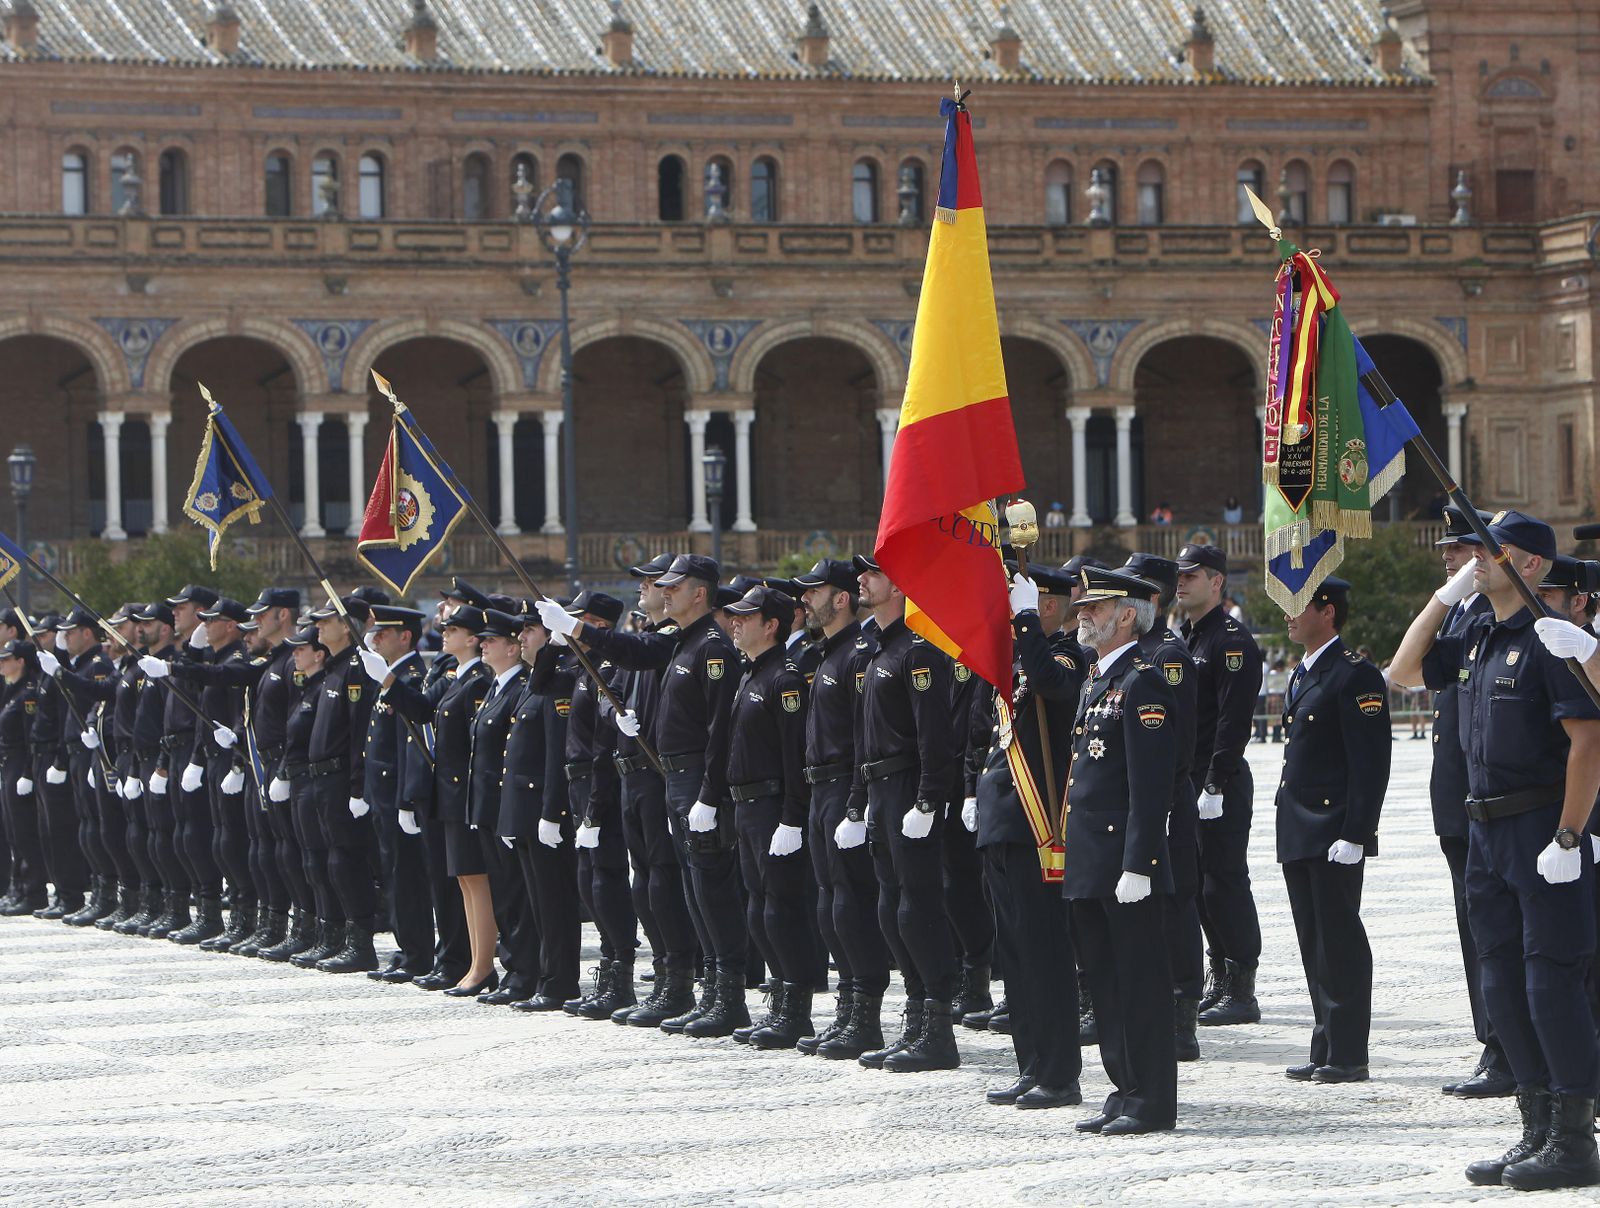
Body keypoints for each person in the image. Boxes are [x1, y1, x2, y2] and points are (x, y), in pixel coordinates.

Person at [1393, 510, 1600, 1191]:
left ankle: (1574, 1137)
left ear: (1531, 564)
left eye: (1491, 549)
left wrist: (1570, 834)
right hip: (1484, 830)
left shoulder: (1550, 640)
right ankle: (1534, 1125)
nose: (1475, 558)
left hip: (1542, 829)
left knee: (1550, 985)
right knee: (1501, 984)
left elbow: (1588, 742)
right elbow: (1403, 671)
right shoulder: (1480, 632)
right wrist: (1445, 597)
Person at [539, 554, 746, 1038]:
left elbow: (720, 730)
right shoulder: (680, 643)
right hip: (666, 776)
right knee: (687, 889)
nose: (663, 592)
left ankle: (723, 993)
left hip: (691, 778)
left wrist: (711, 794)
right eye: (661, 585)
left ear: (700, 593)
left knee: (706, 889)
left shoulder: (709, 646)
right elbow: (635, 656)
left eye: (673, 586)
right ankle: (700, 988)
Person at [1064, 564, 1179, 1136]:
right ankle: (1124, 1085)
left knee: (1138, 981)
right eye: (1084, 606)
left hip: (1122, 863)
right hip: (1089, 859)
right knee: (1104, 980)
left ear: (1127, 614)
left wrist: (1141, 861)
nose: (1082, 613)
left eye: (1094, 607)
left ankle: (1152, 1098)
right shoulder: (1096, 680)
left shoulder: (1144, 682)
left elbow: (1149, 784)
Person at [974, 563, 1084, 1109]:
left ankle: (1060, 1072)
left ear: (1045, 604)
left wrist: (1023, 623)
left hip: (1038, 824)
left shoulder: (1066, 653)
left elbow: (1051, 684)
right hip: (1002, 822)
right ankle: (1030, 1062)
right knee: (1013, 955)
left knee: (1045, 953)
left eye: (1023, 598)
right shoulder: (1015, 654)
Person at [1276, 577, 1391, 1084]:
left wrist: (1358, 831)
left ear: (1328, 612)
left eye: (1299, 605)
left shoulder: (1355, 675)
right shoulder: (1304, 673)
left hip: (1333, 829)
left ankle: (1348, 1052)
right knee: (1312, 940)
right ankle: (1324, 1041)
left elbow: (1371, 762)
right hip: (1299, 826)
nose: (1288, 614)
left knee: (1339, 939)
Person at [850, 554, 959, 1073]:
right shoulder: (879, 650)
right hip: (880, 788)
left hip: (907, 787)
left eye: (872, 573)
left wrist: (928, 800)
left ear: (901, 585)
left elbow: (936, 735)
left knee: (919, 909)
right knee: (892, 908)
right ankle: (915, 1017)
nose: (862, 580)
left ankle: (938, 1026)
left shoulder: (919, 652)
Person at [1426, 506, 1512, 1099]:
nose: (1452, 560)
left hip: (1497, 803)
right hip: (1459, 801)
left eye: (1460, 549)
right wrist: (1443, 599)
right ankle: (1493, 1041)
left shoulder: (1499, 617)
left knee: (1501, 935)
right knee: (1473, 929)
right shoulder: (1462, 615)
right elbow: (1409, 668)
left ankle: (1507, 1048)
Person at [792, 557, 888, 1059]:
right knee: (830, 905)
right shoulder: (825, 652)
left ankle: (865, 1016)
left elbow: (860, 736)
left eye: (815, 591)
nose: (805, 599)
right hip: (819, 789)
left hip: (844, 789)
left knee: (851, 906)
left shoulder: (858, 653)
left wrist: (857, 803)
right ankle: (848, 1008)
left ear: (842, 598)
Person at [721, 584, 816, 1049]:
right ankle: (778, 996)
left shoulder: (785, 679)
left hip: (774, 806)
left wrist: (793, 818)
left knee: (781, 910)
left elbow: (796, 753)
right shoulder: (751, 674)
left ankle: (796, 1007)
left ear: (771, 625)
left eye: (745, 616)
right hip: (748, 806)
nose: (735, 623)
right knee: (758, 910)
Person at [1175, 543, 1265, 1027]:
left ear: (1217, 582)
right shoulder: (1188, 639)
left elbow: (1233, 721)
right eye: (1181, 575)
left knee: (1225, 881)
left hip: (1218, 779)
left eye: (1194, 575)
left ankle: (1242, 984)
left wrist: (1214, 784)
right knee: (1200, 883)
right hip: (1190, 777)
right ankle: (1219, 975)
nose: (1183, 582)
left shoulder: (1230, 641)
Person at [386, 605, 494, 995]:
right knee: (461, 881)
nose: (444, 632)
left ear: (473, 639)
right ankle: (468, 963)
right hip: (447, 793)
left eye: (454, 628)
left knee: (474, 881)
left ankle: (479, 965)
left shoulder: (477, 680)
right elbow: (422, 709)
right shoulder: (455, 675)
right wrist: (385, 679)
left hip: (463, 793)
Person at [611, 554, 699, 1028]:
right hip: (632, 773)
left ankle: (679, 977)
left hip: (661, 773)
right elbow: (618, 690)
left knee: (665, 879)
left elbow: (636, 655)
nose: (648, 591)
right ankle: (664, 969)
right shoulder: (651, 640)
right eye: (648, 583)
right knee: (644, 880)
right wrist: (617, 717)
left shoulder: (668, 643)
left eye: (654, 583)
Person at [543, 591, 639, 1018]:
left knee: (607, 880)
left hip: (600, 785)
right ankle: (606, 969)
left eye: (578, 622)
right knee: (589, 880)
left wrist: (597, 810)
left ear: (599, 627)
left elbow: (605, 743)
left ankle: (620, 975)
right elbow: (541, 683)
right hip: (577, 783)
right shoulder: (580, 668)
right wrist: (552, 644)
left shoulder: (608, 670)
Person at [1123, 553, 1202, 1063]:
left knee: (1175, 904)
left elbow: (1179, 739)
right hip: (1136, 802)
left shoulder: (1165, 656)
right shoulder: (1132, 654)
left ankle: (1182, 1013)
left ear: (1152, 598)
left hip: (1168, 801)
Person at [500, 605, 575, 1012]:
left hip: (544, 809)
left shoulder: (556, 681)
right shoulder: (535, 681)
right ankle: (546, 977)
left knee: (554, 902)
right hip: (525, 809)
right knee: (536, 901)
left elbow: (554, 753)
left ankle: (559, 981)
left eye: (529, 631)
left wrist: (552, 810)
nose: (521, 639)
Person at [357, 603, 435, 984]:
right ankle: (407, 947)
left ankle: (419, 952)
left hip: (397, 791)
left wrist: (406, 798)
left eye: (383, 633)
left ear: (405, 636)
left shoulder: (412, 676)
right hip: (381, 791)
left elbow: (411, 743)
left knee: (408, 876)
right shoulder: (389, 674)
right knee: (393, 872)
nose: (375, 638)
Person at [304, 596, 379, 973]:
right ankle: (335, 934)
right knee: (328, 861)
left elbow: (358, 732)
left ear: (347, 625)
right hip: (321, 778)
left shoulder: (356, 668)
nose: (319, 627)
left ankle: (360, 941)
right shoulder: (333, 668)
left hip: (340, 779)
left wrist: (356, 787)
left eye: (326, 620)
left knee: (346, 861)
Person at [468, 608, 537, 1005]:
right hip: (489, 806)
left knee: (515, 893)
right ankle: (515, 971)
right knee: (504, 893)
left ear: (513, 648)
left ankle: (523, 971)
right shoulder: (496, 687)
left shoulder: (517, 688)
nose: (484, 645)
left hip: (505, 805)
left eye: (491, 640)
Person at [0, 639, 45, 916]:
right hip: (8, 763)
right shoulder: (10, 691)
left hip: (21, 763)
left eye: (6, 658)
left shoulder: (28, 694)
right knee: (13, 831)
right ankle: (17, 888)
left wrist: (27, 772)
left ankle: (33, 891)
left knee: (25, 831)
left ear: (21, 661)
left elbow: (31, 737)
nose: (1, 663)